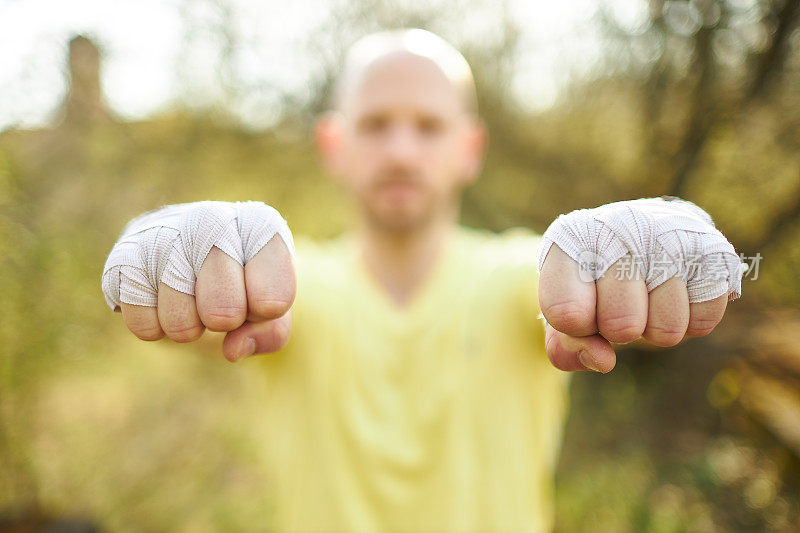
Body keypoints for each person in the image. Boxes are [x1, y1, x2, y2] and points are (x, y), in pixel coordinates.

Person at [101, 29, 741, 532]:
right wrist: (167, 234)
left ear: (470, 147)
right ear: (333, 144)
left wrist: (656, 231)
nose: (402, 151)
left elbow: (552, 275)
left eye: (429, 126)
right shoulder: (295, 288)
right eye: (375, 124)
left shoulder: (518, 276)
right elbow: (242, 285)